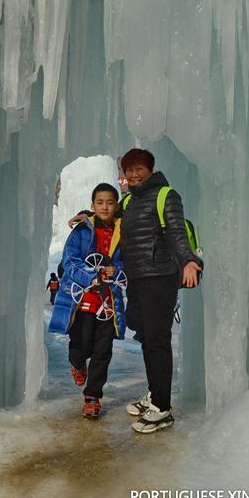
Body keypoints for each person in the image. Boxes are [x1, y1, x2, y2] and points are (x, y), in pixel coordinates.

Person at [68, 148, 203, 434]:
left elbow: (177, 232)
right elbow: (109, 216)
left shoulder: (167, 196)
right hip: (137, 279)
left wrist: (190, 260)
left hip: (160, 277)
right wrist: (88, 215)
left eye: (139, 169)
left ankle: (162, 408)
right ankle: (155, 393)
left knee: (156, 340)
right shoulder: (128, 201)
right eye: (129, 170)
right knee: (138, 326)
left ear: (150, 169)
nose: (133, 174)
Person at [49, 183, 126, 419]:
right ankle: (77, 363)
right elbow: (69, 261)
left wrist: (117, 270)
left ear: (117, 206)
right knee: (79, 347)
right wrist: (91, 276)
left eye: (110, 202)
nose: (105, 207)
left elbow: (129, 261)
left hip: (108, 304)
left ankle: (92, 396)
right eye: (100, 203)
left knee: (103, 351)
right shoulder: (81, 231)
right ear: (93, 206)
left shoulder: (123, 232)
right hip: (81, 301)